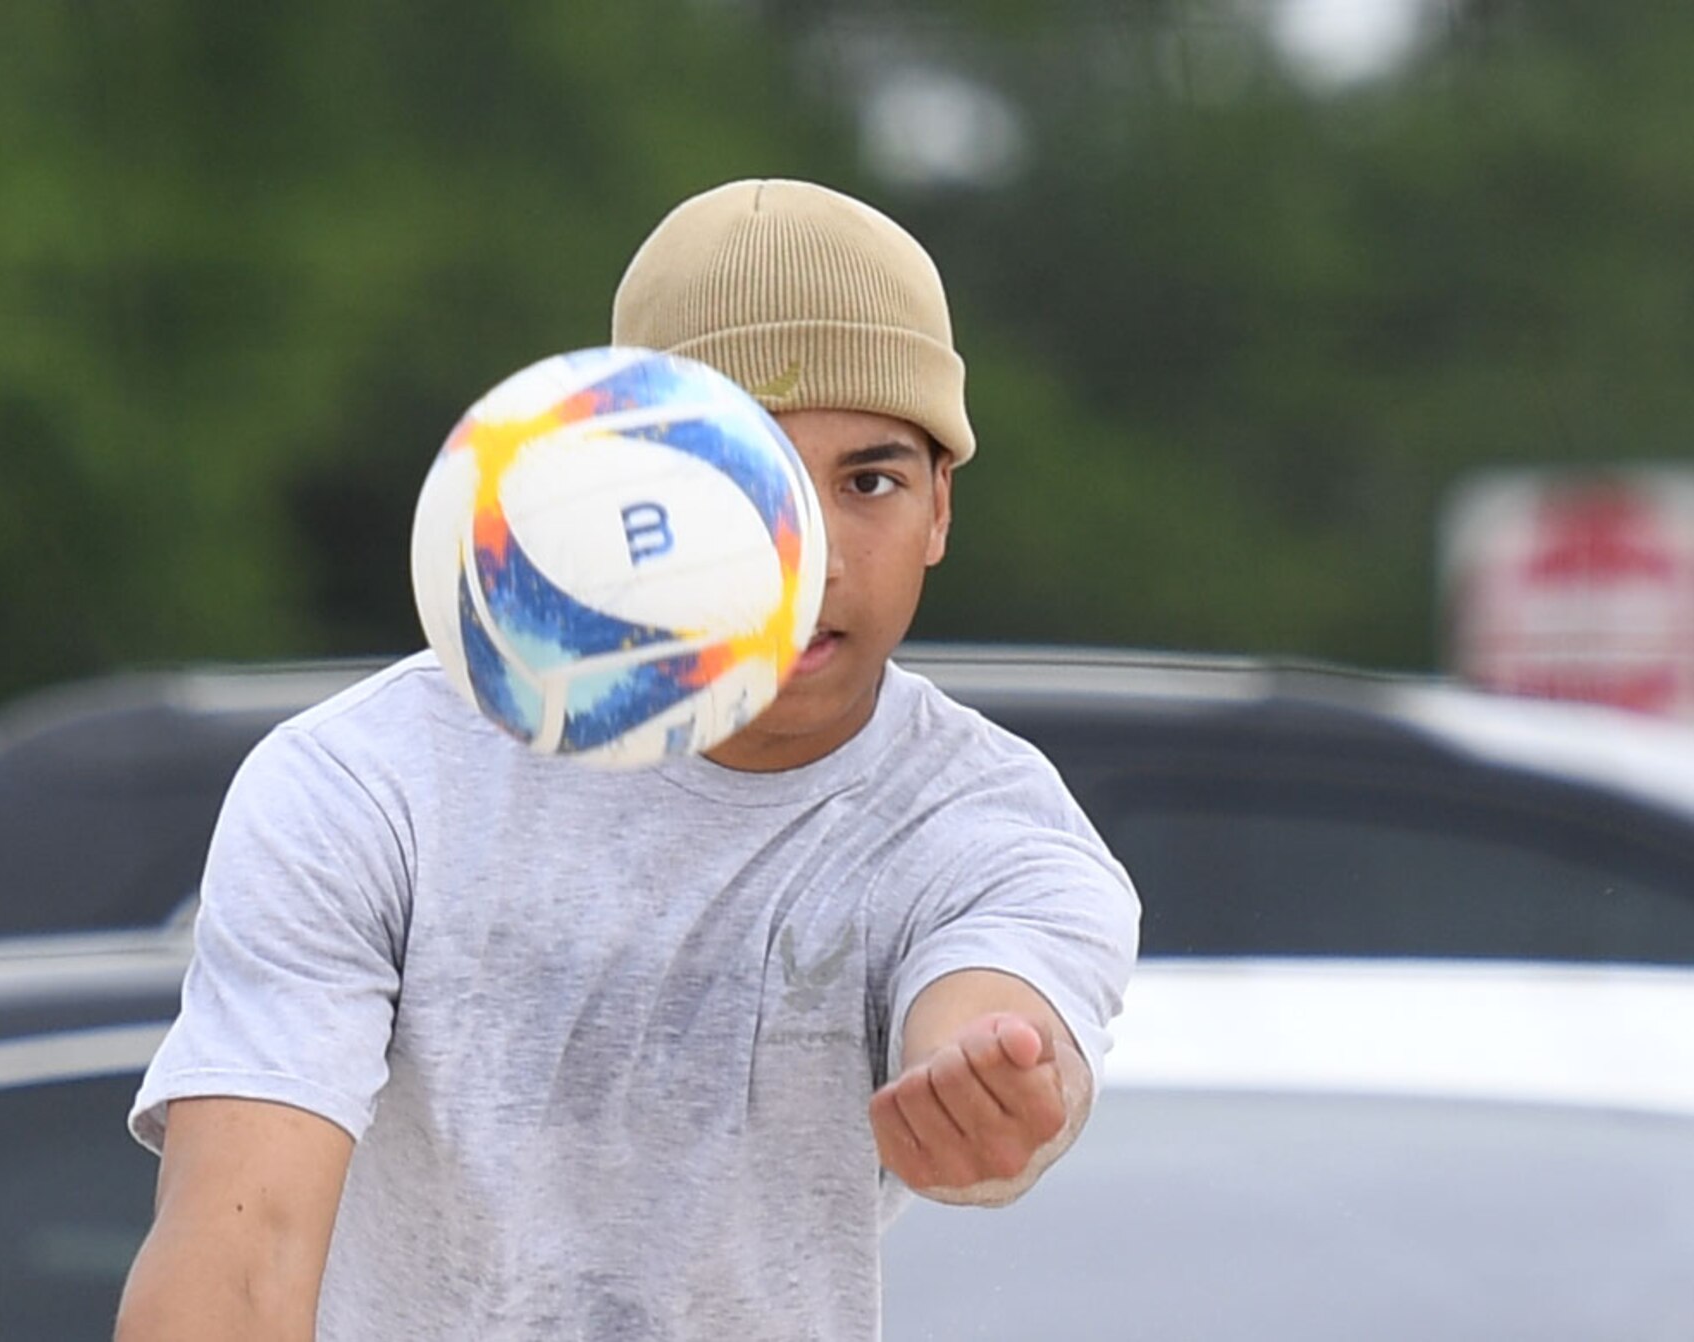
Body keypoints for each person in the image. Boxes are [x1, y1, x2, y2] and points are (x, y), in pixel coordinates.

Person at [115, 177, 1141, 1341]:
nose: (806, 563)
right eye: (738, 481)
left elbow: (992, 1013)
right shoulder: (367, 783)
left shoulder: (987, 823)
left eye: (868, 481)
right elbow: (239, 1249)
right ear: (614, 492)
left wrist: (987, 1092)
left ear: (939, 509)